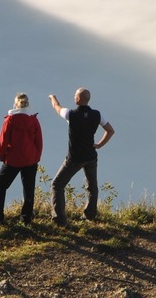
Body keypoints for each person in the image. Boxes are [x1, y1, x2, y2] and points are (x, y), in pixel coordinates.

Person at [48, 87, 115, 223]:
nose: (74, 97)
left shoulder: (71, 114)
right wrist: (99, 145)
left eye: (75, 95)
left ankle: (59, 219)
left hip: (75, 158)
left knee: (57, 185)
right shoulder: (97, 115)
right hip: (91, 156)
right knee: (92, 186)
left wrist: (52, 97)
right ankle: (90, 215)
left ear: (78, 99)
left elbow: (57, 107)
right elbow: (110, 130)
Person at [0, 92, 43, 223]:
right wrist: (36, 157)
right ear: (28, 105)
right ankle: (26, 219)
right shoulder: (33, 120)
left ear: (15, 104)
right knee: (28, 189)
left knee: (0, 185)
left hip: (13, 159)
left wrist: (2, 157)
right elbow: (39, 141)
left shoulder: (9, 120)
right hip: (30, 159)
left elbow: (2, 141)